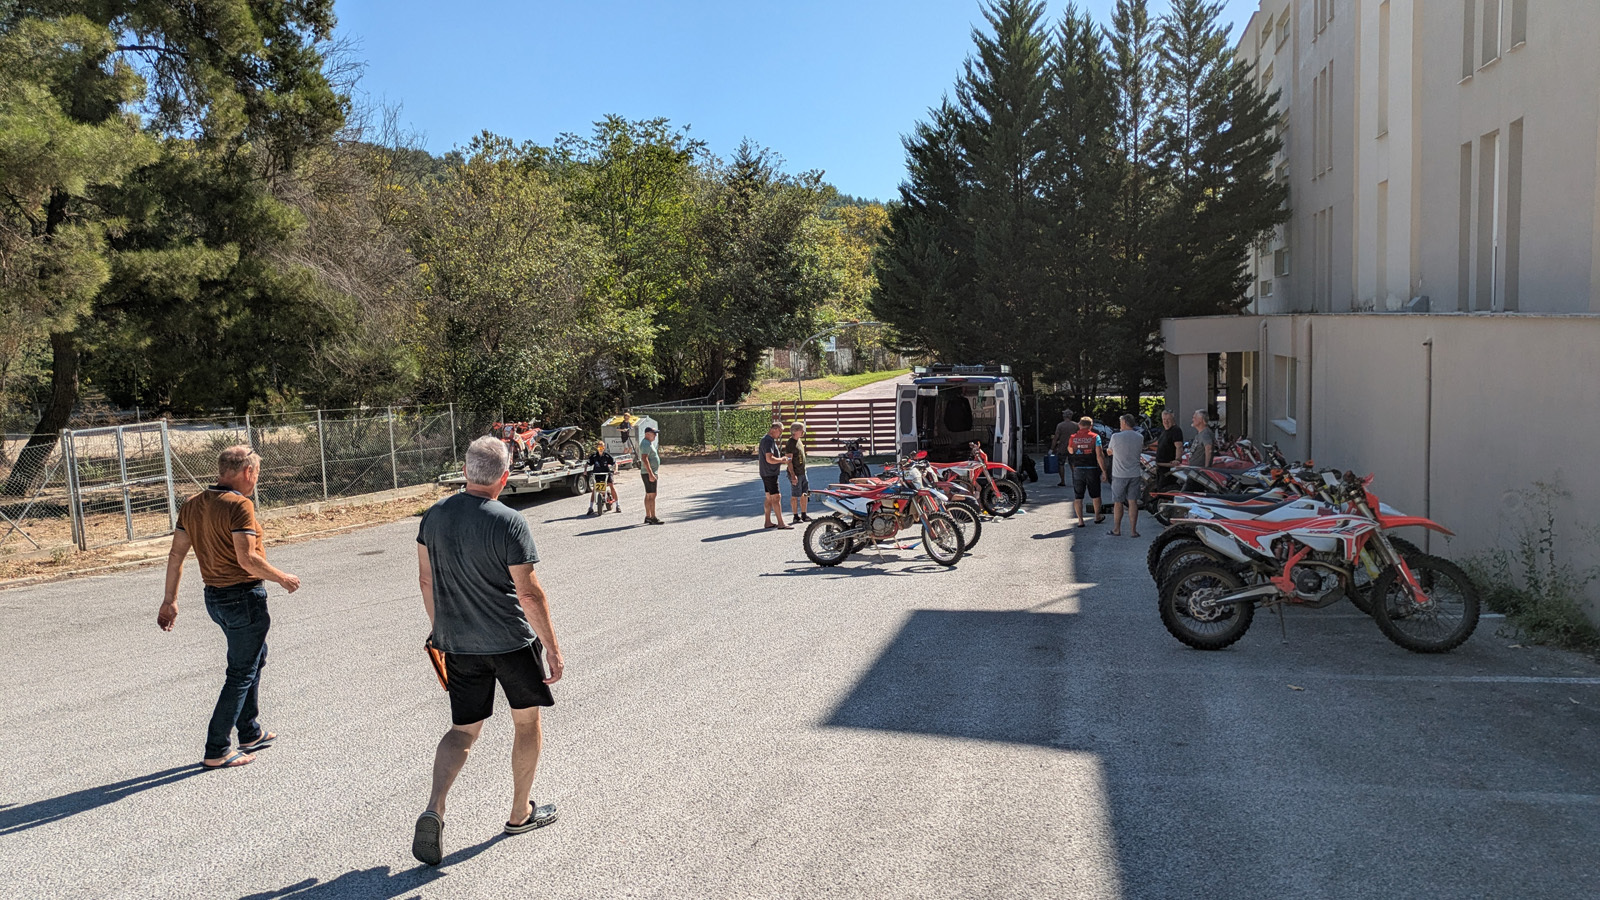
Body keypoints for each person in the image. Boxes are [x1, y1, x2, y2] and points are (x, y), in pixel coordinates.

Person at [413, 436, 565, 866]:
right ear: (505, 477)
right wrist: (552, 648)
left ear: (465, 472)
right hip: (511, 642)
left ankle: (435, 807)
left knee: (462, 731)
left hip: (459, 644)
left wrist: (441, 631)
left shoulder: (434, 516)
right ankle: (519, 814)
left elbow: (426, 580)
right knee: (526, 723)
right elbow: (529, 594)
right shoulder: (509, 521)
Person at [157, 445, 301, 770]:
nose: (256, 481)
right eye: (257, 474)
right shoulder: (239, 505)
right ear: (247, 472)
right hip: (243, 599)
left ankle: (249, 731)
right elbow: (247, 559)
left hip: (215, 598)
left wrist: (170, 600)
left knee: (255, 657)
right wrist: (283, 578)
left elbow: (176, 554)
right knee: (240, 672)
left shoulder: (193, 504)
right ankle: (217, 748)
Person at [1065, 416, 1108, 527]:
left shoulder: (1073, 437)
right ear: (1091, 426)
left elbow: (1070, 451)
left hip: (1078, 469)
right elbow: (1099, 455)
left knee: (1078, 496)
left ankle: (1080, 520)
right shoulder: (1095, 437)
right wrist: (1104, 471)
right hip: (1092, 469)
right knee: (1095, 494)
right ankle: (1097, 516)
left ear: (1079, 425)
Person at [1106, 414, 1145, 538]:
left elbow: (1109, 451)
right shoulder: (1140, 437)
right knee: (1133, 502)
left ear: (1124, 423)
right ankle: (1133, 531)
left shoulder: (1115, 437)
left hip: (1119, 474)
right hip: (1135, 473)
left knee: (1118, 502)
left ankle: (1117, 529)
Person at [758, 421, 791, 529]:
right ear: (775, 429)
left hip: (766, 473)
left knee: (769, 498)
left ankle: (768, 522)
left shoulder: (767, 439)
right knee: (776, 497)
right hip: (770, 473)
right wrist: (782, 460)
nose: (780, 434)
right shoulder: (768, 441)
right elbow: (769, 459)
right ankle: (781, 523)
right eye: (780, 431)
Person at [784, 421, 810, 524]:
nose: (803, 432)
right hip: (796, 473)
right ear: (795, 431)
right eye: (801, 430)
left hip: (803, 472)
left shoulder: (799, 440)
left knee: (805, 493)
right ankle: (795, 516)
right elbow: (789, 460)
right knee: (795, 495)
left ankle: (804, 514)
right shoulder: (790, 443)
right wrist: (793, 475)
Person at [585, 440, 617, 514]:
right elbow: (587, 464)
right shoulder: (594, 456)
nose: (601, 449)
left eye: (602, 447)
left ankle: (617, 505)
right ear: (597, 448)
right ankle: (590, 507)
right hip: (597, 475)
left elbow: (615, 463)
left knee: (611, 486)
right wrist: (585, 471)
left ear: (604, 448)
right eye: (599, 448)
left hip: (606, 474)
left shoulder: (607, 456)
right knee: (594, 489)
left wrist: (615, 470)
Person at [1155, 409, 1184, 491]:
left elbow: (1179, 446)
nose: (1166, 422)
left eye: (1168, 419)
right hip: (1161, 466)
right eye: (1164, 419)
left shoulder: (1176, 430)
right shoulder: (1164, 431)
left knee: (1165, 489)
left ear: (1173, 419)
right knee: (1159, 488)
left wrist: (1177, 459)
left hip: (1168, 468)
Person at [638, 425, 662, 525]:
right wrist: (651, 473)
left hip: (648, 473)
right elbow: (644, 458)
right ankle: (653, 517)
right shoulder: (645, 443)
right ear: (647, 434)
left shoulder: (648, 443)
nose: (655, 435)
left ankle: (648, 516)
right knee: (652, 495)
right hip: (648, 473)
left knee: (649, 494)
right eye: (654, 434)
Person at [1050, 409, 1076, 488]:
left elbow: (1056, 437)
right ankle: (1075, 480)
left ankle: (1062, 481)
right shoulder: (1076, 425)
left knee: (1061, 464)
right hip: (1073, 447)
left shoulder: (1060, 425)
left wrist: (1052, 448)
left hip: (1062, 447)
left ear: (1064, 416)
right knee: (1073, 464)